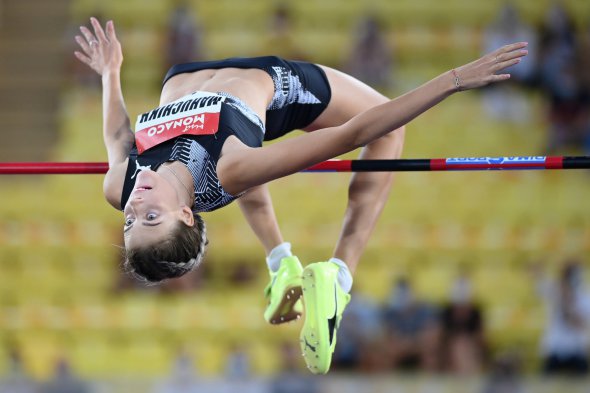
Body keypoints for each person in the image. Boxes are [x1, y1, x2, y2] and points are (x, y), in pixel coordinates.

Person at [74, 17, 527, 374]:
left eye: (131, 223)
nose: (135, 210)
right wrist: (450, 80)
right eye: (151, 219)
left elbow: (117, 132)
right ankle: (339, 277)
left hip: (182, 79)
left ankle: (281, 264)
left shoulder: (123, 184)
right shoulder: (231, 166)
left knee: (243, 177)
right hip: (280, 87)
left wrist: (110, 72)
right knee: (389, 135)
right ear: (185, 216)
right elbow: (356, 132)